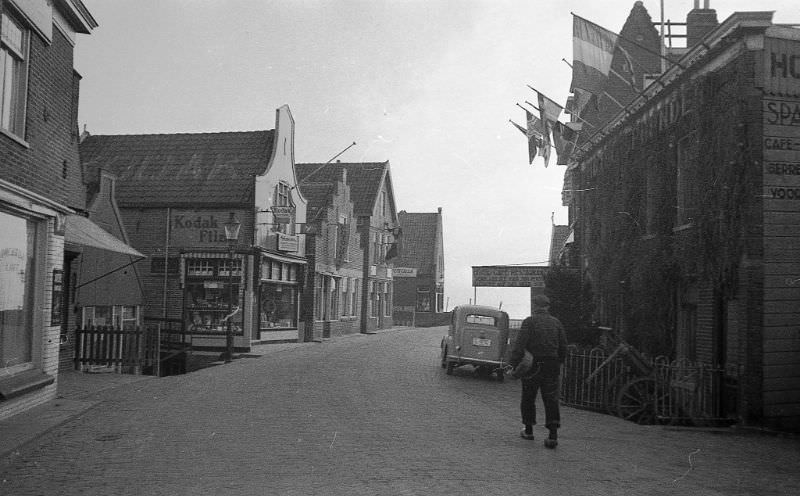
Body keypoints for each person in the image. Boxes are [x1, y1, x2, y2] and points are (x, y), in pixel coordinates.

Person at [508, 294, 567, 448]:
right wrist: (558, 362)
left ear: (535, 306)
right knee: (551, 399)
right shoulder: (557, 323)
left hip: (534, 365)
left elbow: (520, 346)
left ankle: (528, 431)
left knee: (528, 397)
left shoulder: (529, 322)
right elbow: (563, 347)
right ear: (547, 307)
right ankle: (552, 435)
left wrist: (512, 364)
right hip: (552, 365)